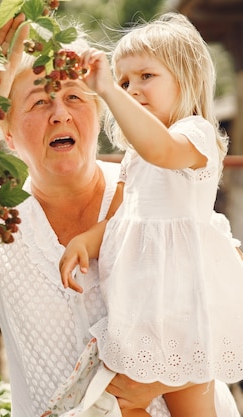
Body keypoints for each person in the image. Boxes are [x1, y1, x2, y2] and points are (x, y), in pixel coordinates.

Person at [0, 13, 240, 417]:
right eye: (40, 101)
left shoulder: (163, 193)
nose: (60, 113)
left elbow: (226, 302)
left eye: (75, 97)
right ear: (6, 132)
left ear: (100, 113)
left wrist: (171, 376)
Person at [58, 12, 243, 417]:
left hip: (184, 309)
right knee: (122, 405)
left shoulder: (195, 135)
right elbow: (122, 217)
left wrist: (108, 89)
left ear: (186, 79)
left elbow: (161, 149)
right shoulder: (134, 158)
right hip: (141, 310)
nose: (132, 89)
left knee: (188, 409)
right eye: (124, 81)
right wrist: (84, 241)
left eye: (146, 76)